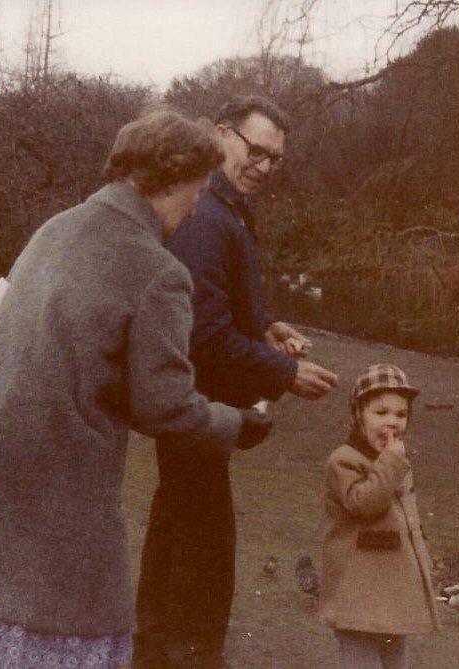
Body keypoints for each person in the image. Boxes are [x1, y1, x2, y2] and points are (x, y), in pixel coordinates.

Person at [0, 108, 275, 669]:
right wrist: (237, 424)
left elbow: (73, 356)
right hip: (51, 482)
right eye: (198, 190)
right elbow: (164, 404)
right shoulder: (158, 270)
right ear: (172, 180)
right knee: (60, 635)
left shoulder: (57, 227)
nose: (198, 205)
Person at [135, 95, 338, 668]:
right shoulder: (208, 219)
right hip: (196, 409)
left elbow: (222, 311)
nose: (265, 167)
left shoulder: (227, 214)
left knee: (180, 528)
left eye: (275, 159)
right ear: (221, 135)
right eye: (256, 151)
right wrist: (286, 372)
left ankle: (155, 649)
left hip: (201, 409)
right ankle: (184, 656)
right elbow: (202, 334)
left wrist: (267, 328)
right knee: (202, 544)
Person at [319, 363, 441, 669]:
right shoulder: (344, 461)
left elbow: (408, 524)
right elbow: (364, 504)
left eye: (401, 415)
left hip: (393, 598)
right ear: (359, 414)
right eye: (381, 412)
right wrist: (390, 462)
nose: (392, 423)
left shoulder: (395, 463)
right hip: (358, 597)